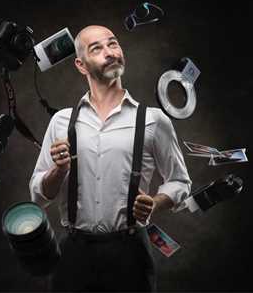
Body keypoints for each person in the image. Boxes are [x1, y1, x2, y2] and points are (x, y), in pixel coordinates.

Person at [29, 25, 192, 292]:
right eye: (97, 48)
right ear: (81, 65)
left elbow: (180, 182)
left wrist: (155, 202)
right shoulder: (61, 121)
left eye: (113, 44)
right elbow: (38, 196)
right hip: (73, 254)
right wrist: (58, 171)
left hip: (131, 253)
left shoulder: (154, 120)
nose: (110, 52)